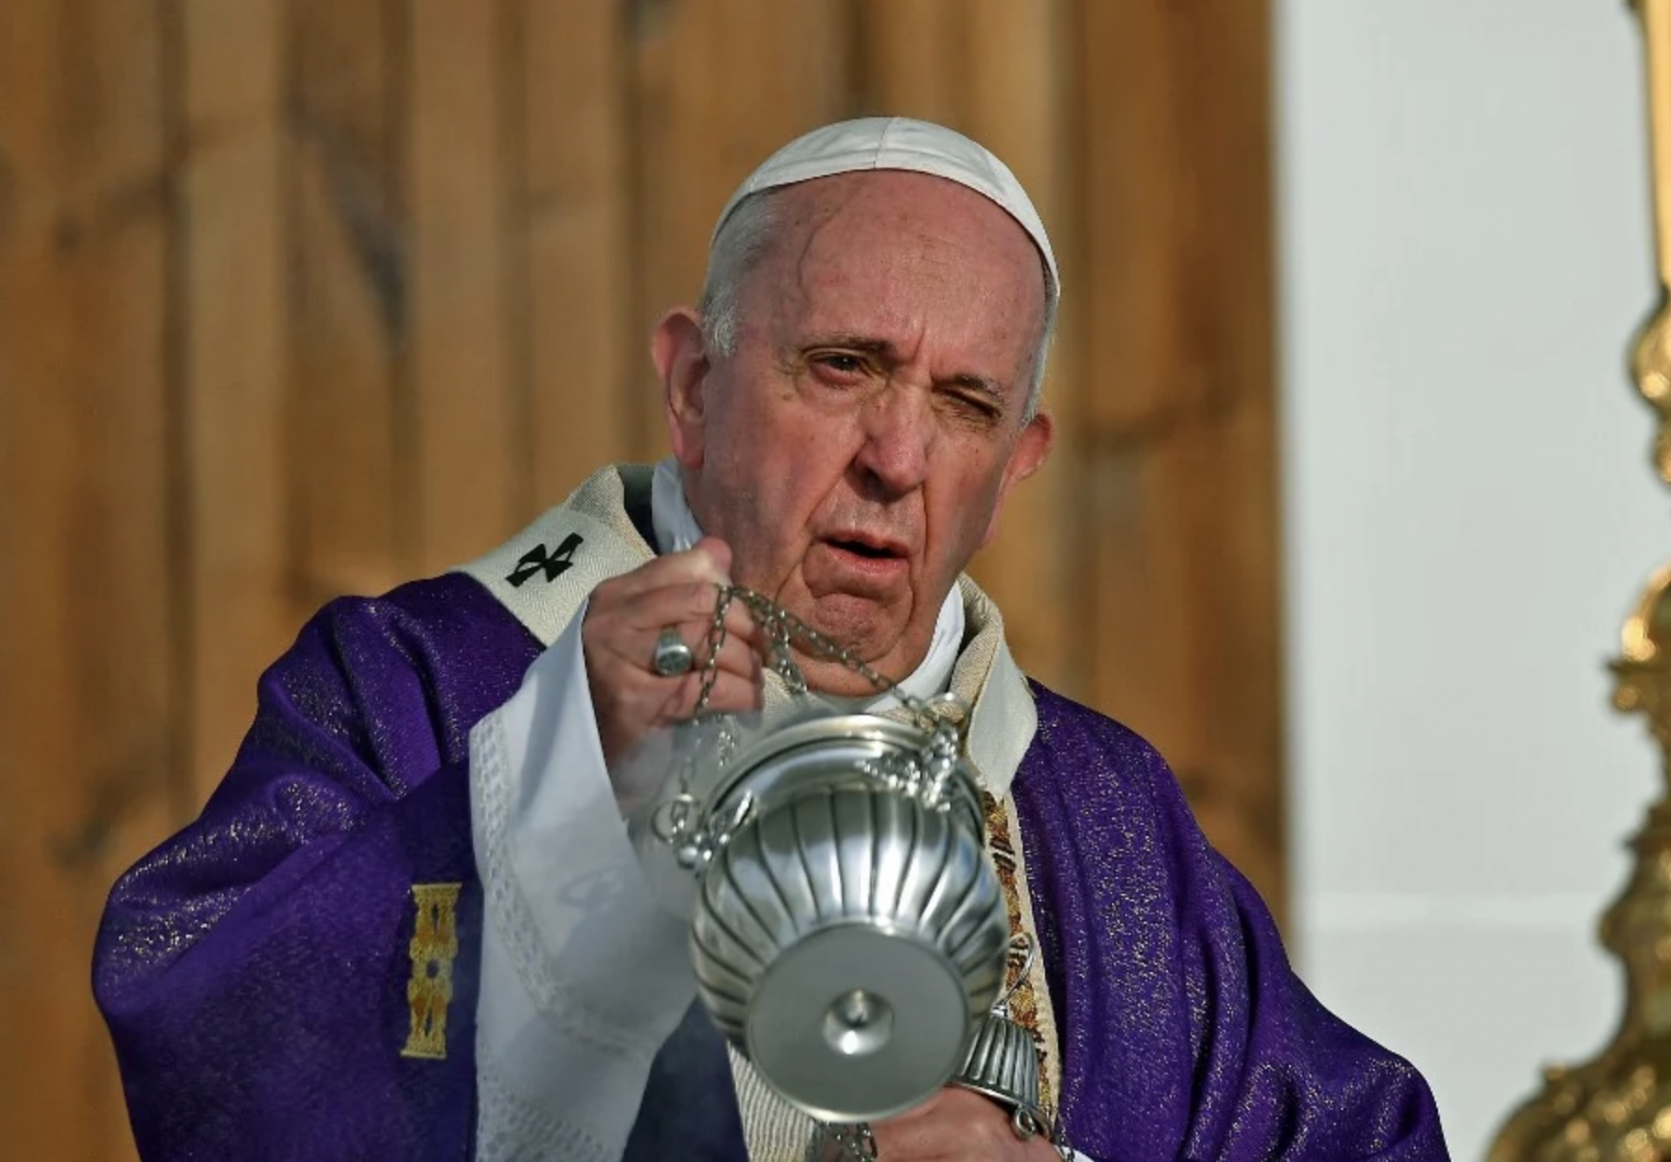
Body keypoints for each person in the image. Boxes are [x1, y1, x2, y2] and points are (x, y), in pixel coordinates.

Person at [93, 117, 1449, 1161]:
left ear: (1020, 461)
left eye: (966, 403)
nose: (898, 458)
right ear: (693, 385)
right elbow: (202, 1029)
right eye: (843, 366)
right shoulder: (437, 683)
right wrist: (555, 791)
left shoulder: (1099, 815)